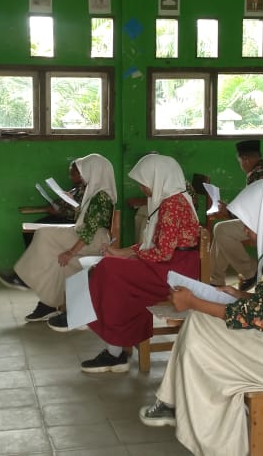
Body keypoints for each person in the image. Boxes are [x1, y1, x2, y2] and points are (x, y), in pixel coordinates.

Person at [137, 181, 263, 456]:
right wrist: (239, 295)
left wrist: (193, 301)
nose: (246, 230)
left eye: (250, 222)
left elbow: (257, 318)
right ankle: (179, 406)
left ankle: (229, 445)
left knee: (207, 349)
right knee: (203, 328)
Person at [48, 154, 200, 375]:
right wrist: (122, 253)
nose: (141, 187)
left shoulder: (172, 205)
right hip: (172, 265)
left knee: (109, 270)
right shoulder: (169, 200)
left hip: (175, 272)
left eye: (143, 182)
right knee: (111, 271)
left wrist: (129, 256)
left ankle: (81, 315)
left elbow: (163, 253)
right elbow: (157, 247)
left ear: (158, 179)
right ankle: (114, 351)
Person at [0, 154, 115, 322]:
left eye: (84, 171)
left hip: (95, 239)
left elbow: (90, 229)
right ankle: (49, 304)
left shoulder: (101, 196)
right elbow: (85, 220)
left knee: (44, 235)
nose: (82, 175)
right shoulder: (94, 193)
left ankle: (23, 279)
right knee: (55, 256)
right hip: (85, 234)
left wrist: (70, 252)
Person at [210, 140, 263, 289]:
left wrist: (227, 211)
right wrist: (230, 210)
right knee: (221, 232)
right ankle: (216, 280)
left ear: (246, 160)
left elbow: (252, 211)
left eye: (240, 161)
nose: (241, 166)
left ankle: (250, 271)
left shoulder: (256, 175)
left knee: (221, 230)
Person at [13, 161, 85, 250]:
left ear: (82, 174)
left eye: (73, 174)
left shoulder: (87, 190)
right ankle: (35, 257)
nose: (70, 177)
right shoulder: (76, 188)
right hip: (62, 217)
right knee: (30, 229)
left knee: (35, 232)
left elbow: (79, 212)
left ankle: (37, 257)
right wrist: (54, 204)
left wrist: (59, 212)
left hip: (71, 222)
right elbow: (65, 202)